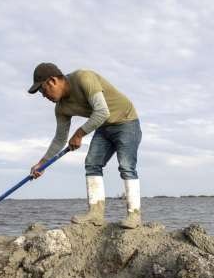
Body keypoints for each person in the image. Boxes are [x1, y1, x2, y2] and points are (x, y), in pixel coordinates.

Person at [28, 62, 142, 229]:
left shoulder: (84, 78)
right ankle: (95, 214)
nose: (45, 96)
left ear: (52, 81)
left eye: (43, 91)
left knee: (126, 166)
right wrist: (43, 163)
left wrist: (79, 134)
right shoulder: (61, 108)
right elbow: (60, 139)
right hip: (103, 126)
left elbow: (102, 111)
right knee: (92, 164)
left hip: (126, 120)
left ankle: (134, 215)